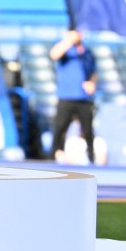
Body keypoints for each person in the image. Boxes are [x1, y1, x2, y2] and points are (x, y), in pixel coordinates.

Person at [50, 28, 100, 161]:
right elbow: (54, 55)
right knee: (60, 128)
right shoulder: (66, 50)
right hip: (66, 97)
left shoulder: (87, 53)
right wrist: (68, 40)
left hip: (83, 98)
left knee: (88, 130)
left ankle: (91, 157)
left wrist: (92, 83)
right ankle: (53, 155)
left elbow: (93, 72)